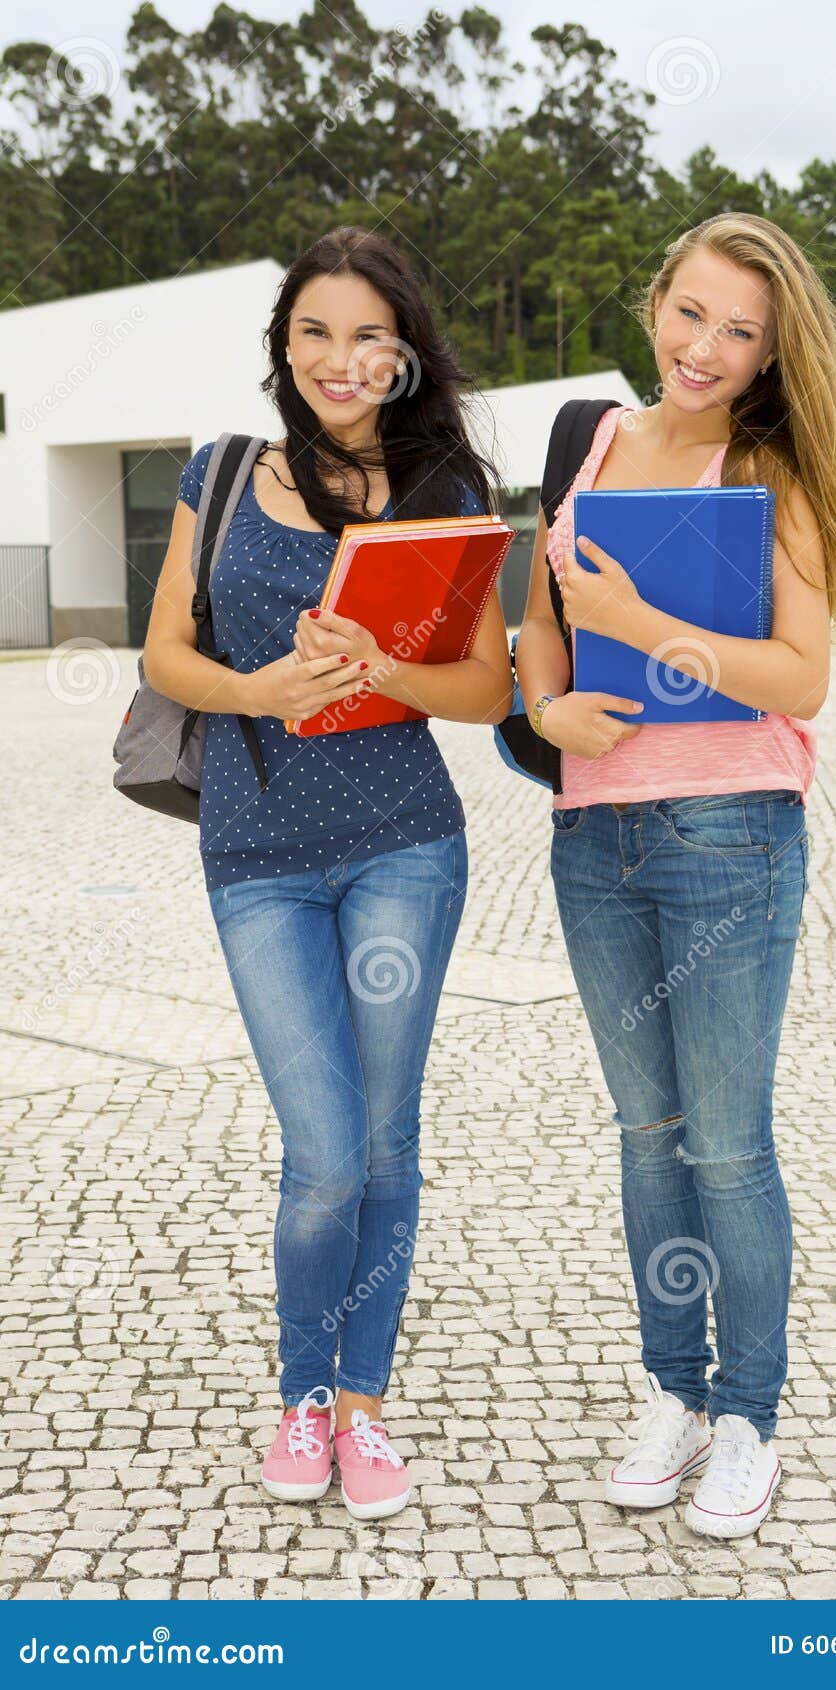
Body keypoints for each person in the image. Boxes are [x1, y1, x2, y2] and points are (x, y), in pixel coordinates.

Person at [515, 212, 836, 1539]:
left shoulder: (770, 462)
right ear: (653, 300)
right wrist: (547, 706)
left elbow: (802, 678)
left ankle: (748, 1417)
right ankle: (672, 1389)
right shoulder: (600, 441)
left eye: (742, 330)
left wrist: (646, 627)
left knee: (727, 1146)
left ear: (773, 347)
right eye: (691, 312)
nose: (706, 347)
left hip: (730, 830)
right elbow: (543, 625)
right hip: (595, 832)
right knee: (648, 1137)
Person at [144, 225, 512, 1520]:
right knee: (323, 1151)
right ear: (284, 345)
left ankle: (362, 1404)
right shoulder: (223, 471)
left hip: (406, 839)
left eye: (368, 335)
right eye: (315, 332)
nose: (339, 359)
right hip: (255, 855)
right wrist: (262, 686)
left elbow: (489, 685)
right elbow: (165, 659)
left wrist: (381, 666)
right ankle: (303, 1388)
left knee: (385, 1133)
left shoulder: (443, 487)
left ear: (403, 353)